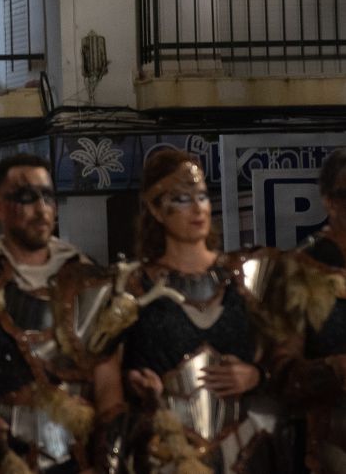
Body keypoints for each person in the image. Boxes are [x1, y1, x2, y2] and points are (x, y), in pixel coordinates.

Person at [0, 153, 123, 473]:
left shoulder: (88, 279)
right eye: (25, 197)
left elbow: (108, 386)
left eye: (47, 196)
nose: (40, 208)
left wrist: (103, 456)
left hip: (74, 459)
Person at [111, 148, 288, 473]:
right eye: (181, 198)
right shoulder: (130, 286)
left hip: (245, 448)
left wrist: (257, 375)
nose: (197, 208)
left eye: (202, 196)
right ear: (156, 208)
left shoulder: (248, 276)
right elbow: (103, 376)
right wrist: (133, 384)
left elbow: (290, 358)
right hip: (165, 451)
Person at [270, 146, 346, 472]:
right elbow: (281, 373)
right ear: (328, 199)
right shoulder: (300, 269)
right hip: (331, 439)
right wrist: (334, 369)